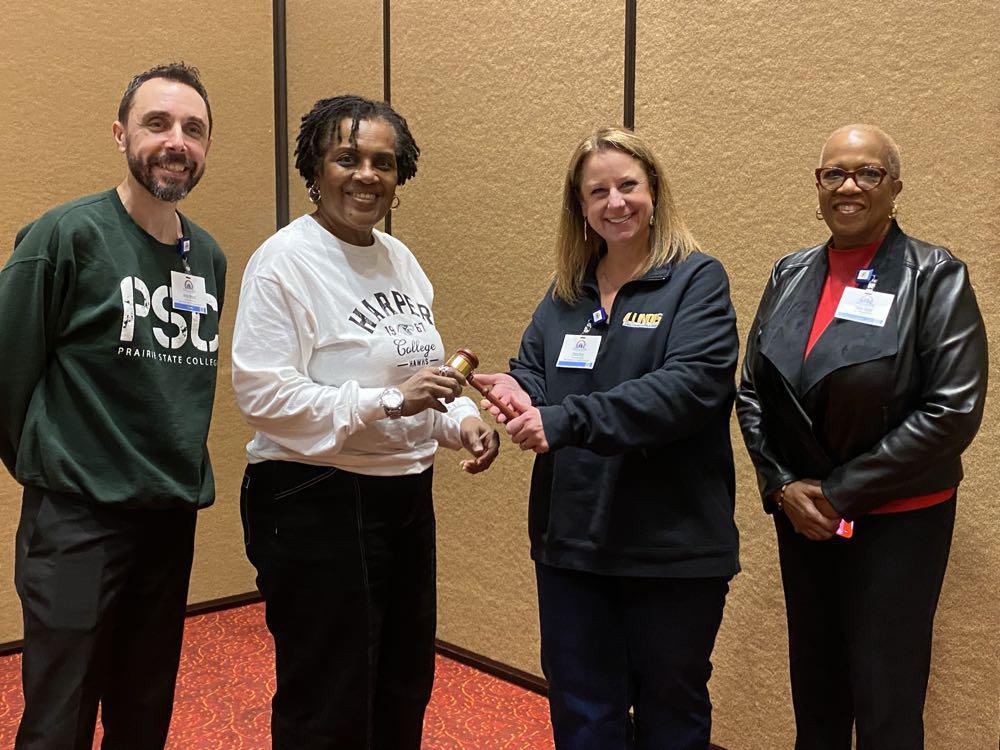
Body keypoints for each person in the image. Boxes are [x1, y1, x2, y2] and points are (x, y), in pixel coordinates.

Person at [231, 94, 499, 750]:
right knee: (330, 698)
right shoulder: (285, 261)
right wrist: (388, 402)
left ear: (400, 175)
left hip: (404, 496)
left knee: (404, 683)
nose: (367, 175)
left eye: (384, 162)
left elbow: (419, 380)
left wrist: (462, 420)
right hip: (313, 498)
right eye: (347, 158)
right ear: (314, 168)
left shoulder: (400, 260)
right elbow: (262, 396)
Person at [476, 127, 740, 750]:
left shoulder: (696, 280)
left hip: (670, 546)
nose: (615, 202)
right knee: (582, 714)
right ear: (581, 206)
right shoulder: (567, 292)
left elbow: (690, 388)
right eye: (598, 192)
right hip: (571, 542)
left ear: (654, 192)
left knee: (671, 714)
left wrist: (563, 420)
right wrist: (519, 390)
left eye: (628, 185)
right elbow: (536, 371)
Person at [736, 124, 988, 749]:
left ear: (894, 187)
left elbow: (953, 409)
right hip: (803, 519)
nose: (849, 186)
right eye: (835, 174)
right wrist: (782, 486)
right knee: (816, 695)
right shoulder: (789, 272)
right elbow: (753, 390)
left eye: (868, 173)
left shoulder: (935, 275)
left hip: (898, 524)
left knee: (886, 705)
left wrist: (838, 493)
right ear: (817, 186)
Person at [0, 63, 225, 749]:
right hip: (78, 521)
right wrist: (57, 466)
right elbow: (7, 375)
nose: (176, 141)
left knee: (143, 710)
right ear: (121, 133)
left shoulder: (208, 257)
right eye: (157, 123)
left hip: (167, 518)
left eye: (193, 129)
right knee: (58, 718)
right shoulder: (65, 235)